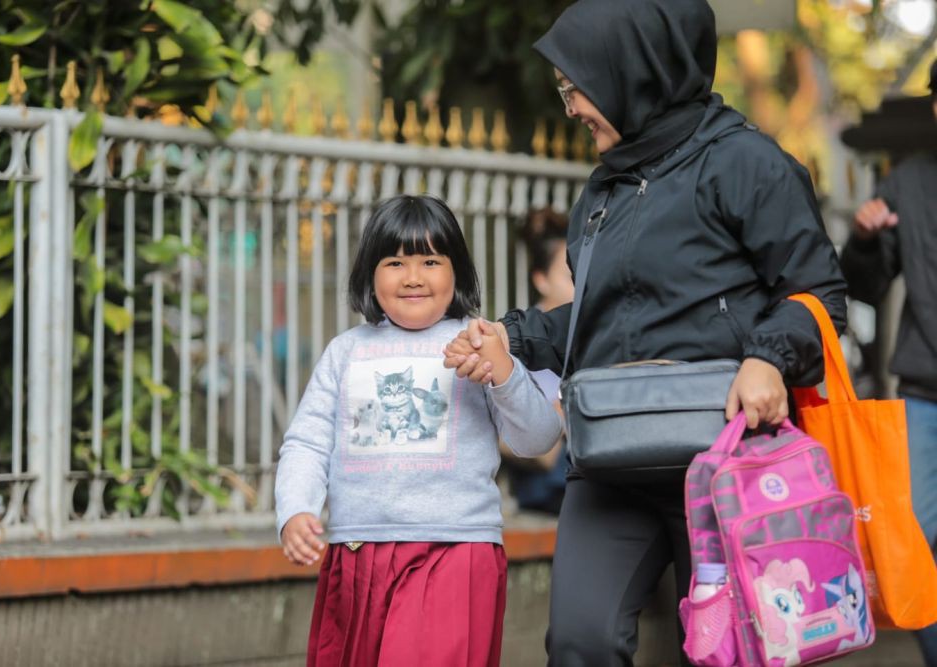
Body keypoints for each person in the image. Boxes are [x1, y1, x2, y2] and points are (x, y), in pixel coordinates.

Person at [443, 1, 847, 664]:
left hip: (726, 460)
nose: (570, 106)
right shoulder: (603, 189)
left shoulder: (744, 162)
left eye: (578, 85)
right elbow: (602, 314)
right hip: (611, 461)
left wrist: (769, 360)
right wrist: (513, 338)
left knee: (736, 651)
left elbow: (819, 295)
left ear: (638, 69)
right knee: (580, 641)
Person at [275, 194, 562, 666]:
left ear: (458, 272)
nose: (412, 277)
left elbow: (538, 438)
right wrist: (295, 509)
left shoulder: (478, 341)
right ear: (370, 273)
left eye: (430, 260)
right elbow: (307, 441)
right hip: (358, 551)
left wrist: (505, 373)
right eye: (394, 262)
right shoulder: (345, 351)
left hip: (455, 550)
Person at [839, 59, 937, 666]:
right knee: (917, 541)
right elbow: (865, 289)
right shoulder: (907, 183)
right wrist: (865, 241)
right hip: (925, 393)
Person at [499, 208, 573, 515]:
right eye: (571, 277)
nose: (581, 287)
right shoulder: (517, 337)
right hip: (546, 477)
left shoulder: (595, 330)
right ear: (540, 280)